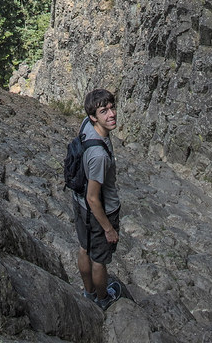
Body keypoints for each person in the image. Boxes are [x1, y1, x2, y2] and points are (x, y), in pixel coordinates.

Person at [72, 88, 121, 310]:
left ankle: (88, 293)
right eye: (104, 111)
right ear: (94, 116)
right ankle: (103, 300)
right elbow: (94, 198)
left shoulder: (86, 124)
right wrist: (108, 229)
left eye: (111, 108)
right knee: (99, 260)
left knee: (84, 248)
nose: (111, 114)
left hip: (78, 202)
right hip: (98, 210)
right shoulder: (99, 156)